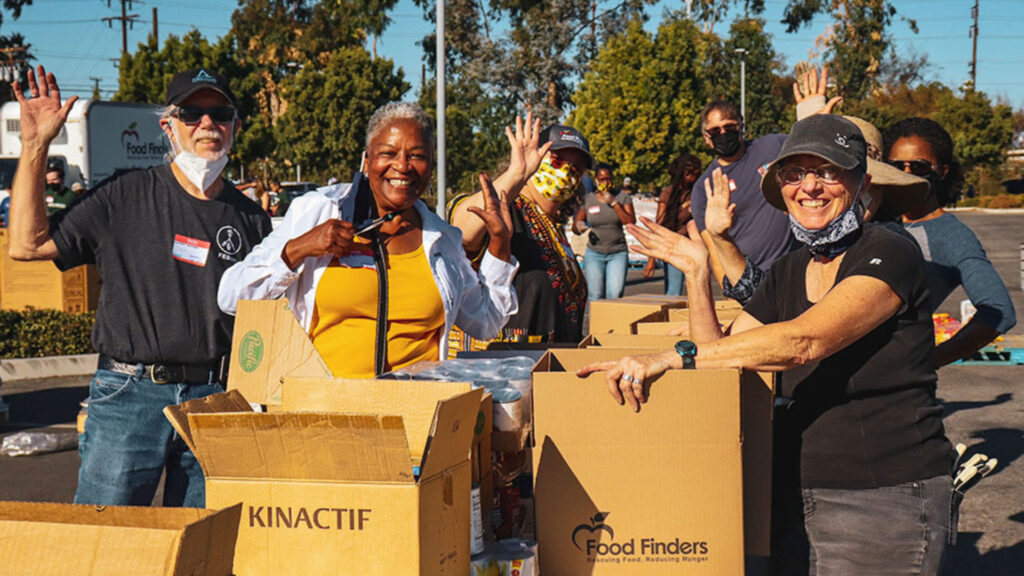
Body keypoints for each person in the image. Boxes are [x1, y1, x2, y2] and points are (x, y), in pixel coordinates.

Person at [581, 115, 954, 575]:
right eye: (794, 173)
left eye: (828, 171)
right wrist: (699, 273)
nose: (810, 186)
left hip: (882, 498)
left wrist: (670, 356)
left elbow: (805, 340)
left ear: (861, 182)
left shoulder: (890, 251)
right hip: (792, 494)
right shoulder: (789, 270)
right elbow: (725, 357)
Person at [7, 65, 272, 507]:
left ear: (235, 126)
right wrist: (36, 145)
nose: (207, 124)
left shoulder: (252, 219)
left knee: (203, 547)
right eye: (192, 113)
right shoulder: (123, 195)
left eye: (220, 113)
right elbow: (26, 244)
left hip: (216, 400)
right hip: (129, 394)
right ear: (168, 126)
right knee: (106, 544)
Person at [218, 102, 519, 378]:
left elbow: (486, 322)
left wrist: (500, 245)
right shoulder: (318, 211)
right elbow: (232, 296)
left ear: (430, 167)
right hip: (324, 415)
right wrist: (299, 249)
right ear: (366, 161)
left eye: (416, 155)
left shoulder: (443, 240)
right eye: (388, 153)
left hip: (416, 416)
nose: (402, 166)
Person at [886, 117, 1017, 366]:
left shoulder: (951, 236)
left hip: (897, 391)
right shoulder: (877, 218)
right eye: (896, 166)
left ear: (942, 171)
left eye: (919, 167)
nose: (906, 174)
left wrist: (928, 361)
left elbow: (1000, 311)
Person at [449, 121, 592, 344]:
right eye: (557, 160)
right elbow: (461, 231)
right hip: (502, 367)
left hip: (551, 368)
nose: (566, 171)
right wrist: (516, 175)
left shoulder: (553, 227)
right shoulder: (507, 209)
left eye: (576, 168)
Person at [690, 99, 796, 282]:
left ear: (740, 126)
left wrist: (813, 113)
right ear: (707, 138)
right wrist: (732, 294)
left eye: (729, 127)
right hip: (750, 278)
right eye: (715, 130)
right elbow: (715, 253)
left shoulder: (773, 146)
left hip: (797, 266)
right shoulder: (704, 188)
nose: (723, 133)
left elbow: (812, 150)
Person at [573, 162, 635, 300]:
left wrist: (614, 203)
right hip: (595, 253)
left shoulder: (622, 197)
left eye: (608, 179)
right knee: (595, 295)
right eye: (602, 179)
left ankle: (612, 321)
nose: (606, 182)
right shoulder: (589, 199)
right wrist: (579, 226)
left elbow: (630, 221)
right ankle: (597, 321)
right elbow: (576, 224)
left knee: (615, 294)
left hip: (617, 252)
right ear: (596, 180)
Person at [644, 153, 701, 295]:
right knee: (673, 291)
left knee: (698, 291)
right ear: (684, 175)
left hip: (696, 248)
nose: (697, 177)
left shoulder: (697, 192)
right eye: (693, 174)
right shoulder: (668, 194)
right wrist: (651, 259)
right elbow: (657, 227)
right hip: (674, 247)